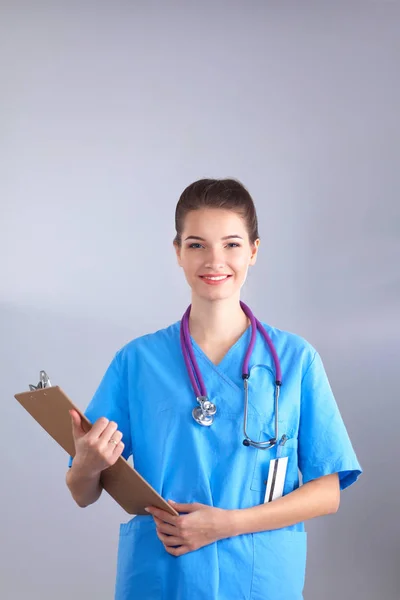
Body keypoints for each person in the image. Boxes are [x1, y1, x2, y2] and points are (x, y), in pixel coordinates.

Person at [66, 178, 362, 600]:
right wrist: (87, 462)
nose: (214, 260)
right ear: (178, 253)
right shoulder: (138, 361)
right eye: (197, 244)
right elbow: (83, 492)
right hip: (163, 575)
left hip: (258, 576)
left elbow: (328, 491)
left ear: (254, 251)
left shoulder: (295, 360)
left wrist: (226, 524)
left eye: (232, 244)